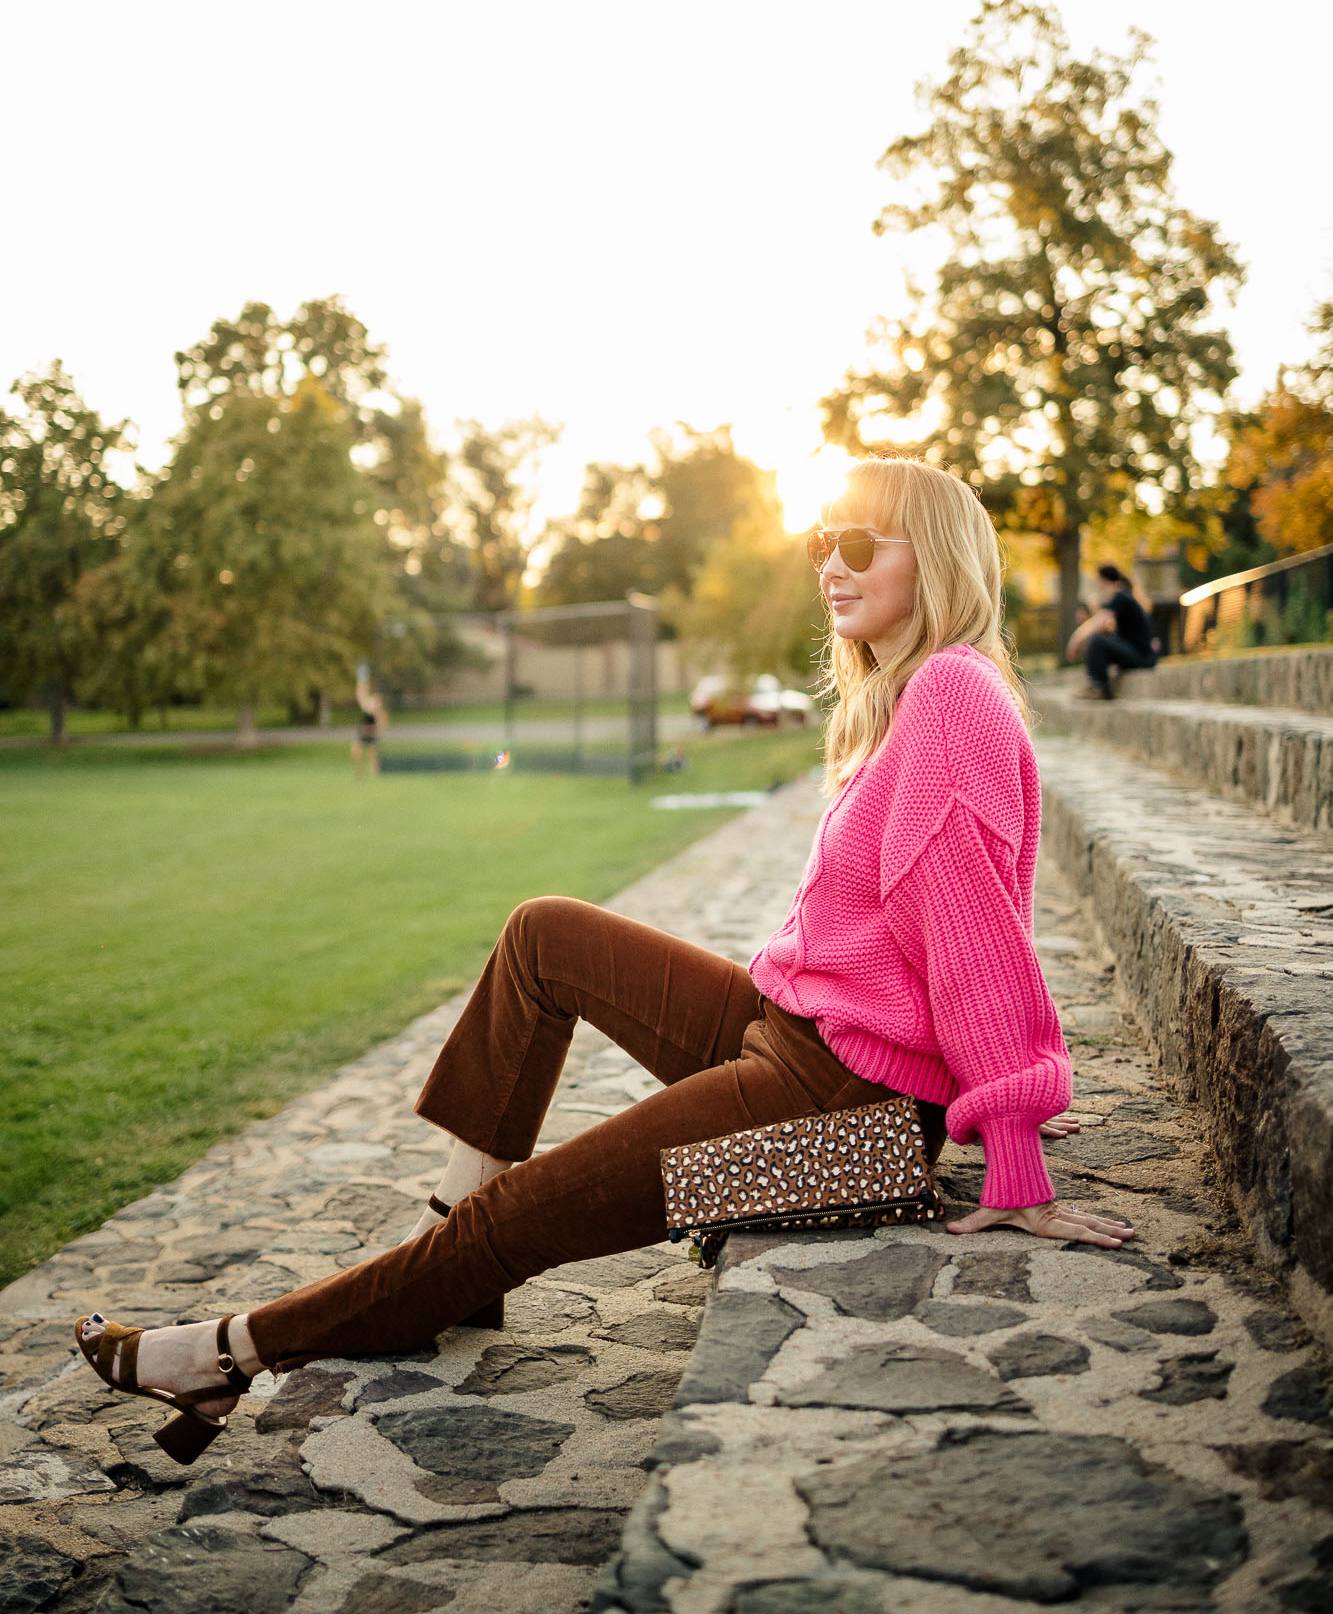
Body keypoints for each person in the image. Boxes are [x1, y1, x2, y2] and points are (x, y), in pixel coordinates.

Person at [74, 455, 1132, 1464]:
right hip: (800, 1036)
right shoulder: (914, 695)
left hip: (851, 1121)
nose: (832, 565)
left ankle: (225, 1352)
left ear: (937, 558)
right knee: (546, 932)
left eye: (862, 541)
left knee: (518, 1218)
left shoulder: (951, 692)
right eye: (823, 541)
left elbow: (977, 935)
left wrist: (1011, 1134)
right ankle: (451, 1245)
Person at [1066, 563, 1158, 699]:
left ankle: (1099, 686)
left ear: (1104, 581)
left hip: (1142, 657)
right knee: (1098, 639)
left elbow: (1099, 622)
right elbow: (1106, 627)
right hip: (1139, 654)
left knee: (1096, 641)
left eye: (1100, 586)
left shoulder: (1121, 596)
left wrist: (1075, 640)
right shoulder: (1125, 596)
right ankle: (1095, 684)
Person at [351, 672, 386, 777]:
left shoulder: (379, 713)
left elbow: (382, 725)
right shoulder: (366, 707)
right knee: (355, 752)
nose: (373, 701)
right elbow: (360, 694)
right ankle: (359, 773)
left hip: (371, 735)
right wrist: (362, 682)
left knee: (373, 757)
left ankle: (374, 775)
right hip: (362, 734)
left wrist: (372, 730)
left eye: (375, 700)